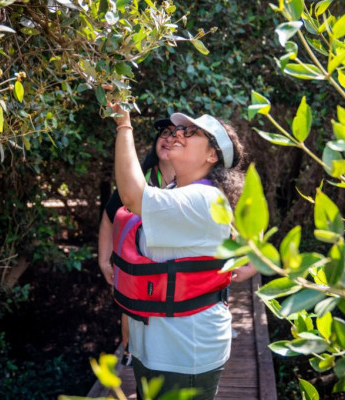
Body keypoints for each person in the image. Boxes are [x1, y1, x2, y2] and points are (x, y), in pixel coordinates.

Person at [110, 102, 245, 399]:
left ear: (212, 155)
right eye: (179, 129)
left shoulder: (207, 199)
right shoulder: (174, 192)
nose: (178, 134)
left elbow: (132, 195)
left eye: (192, 132)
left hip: (186, 353)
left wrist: (124, 125)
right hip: (154, 347)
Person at [98, 118, 176, 366]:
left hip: (173, 283)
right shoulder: (137, 179)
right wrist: (103, 261)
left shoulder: (195, 187)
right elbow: (110, 216)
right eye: (165, 133)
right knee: (131, 323)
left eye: (176, 136)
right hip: (136, 274)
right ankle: (131, 357)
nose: (168, 139)